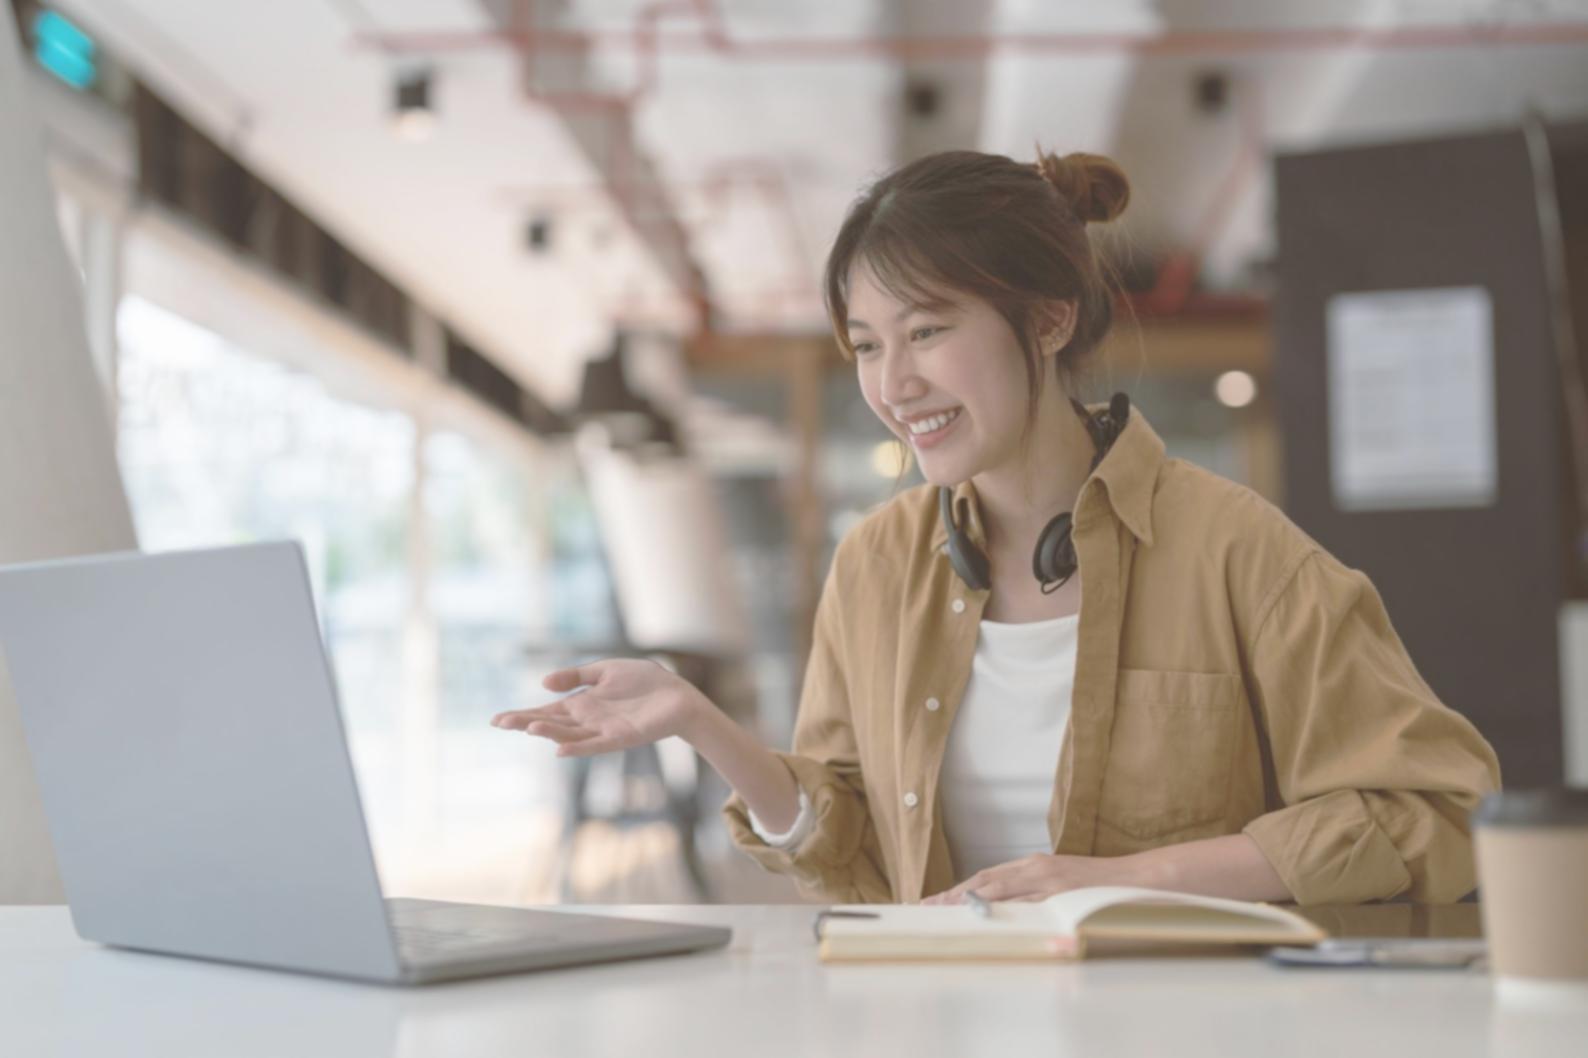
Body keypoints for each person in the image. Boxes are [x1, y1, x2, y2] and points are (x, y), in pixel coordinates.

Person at [491, 148, 1501, 907]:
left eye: (928, 330)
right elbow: (847, 846)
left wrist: (1127, 878)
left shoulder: (1241, 551)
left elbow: (1436, 811)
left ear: (1050, 318)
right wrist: (697, 721)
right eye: (866, 345)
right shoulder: (877, 562)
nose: (894, 384)